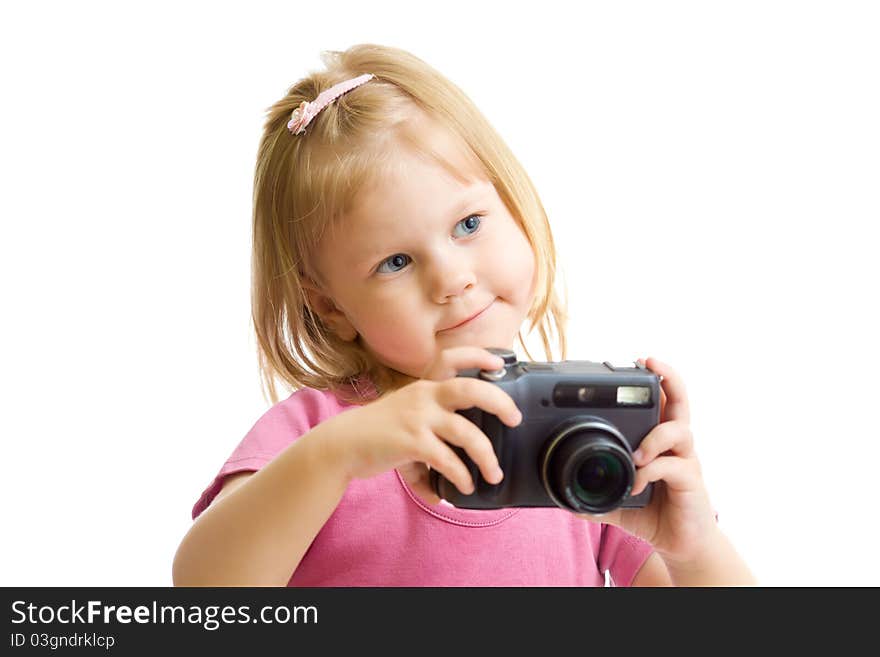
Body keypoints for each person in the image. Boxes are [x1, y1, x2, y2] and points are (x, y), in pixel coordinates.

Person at [172, 44, 756, 587]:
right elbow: (203, 587)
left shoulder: (575, 443)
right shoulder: (317, 433)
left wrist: (691, 546)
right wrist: (337, 455)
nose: (452, 279)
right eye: (395, 261)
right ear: (330, 305)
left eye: (469, 224)